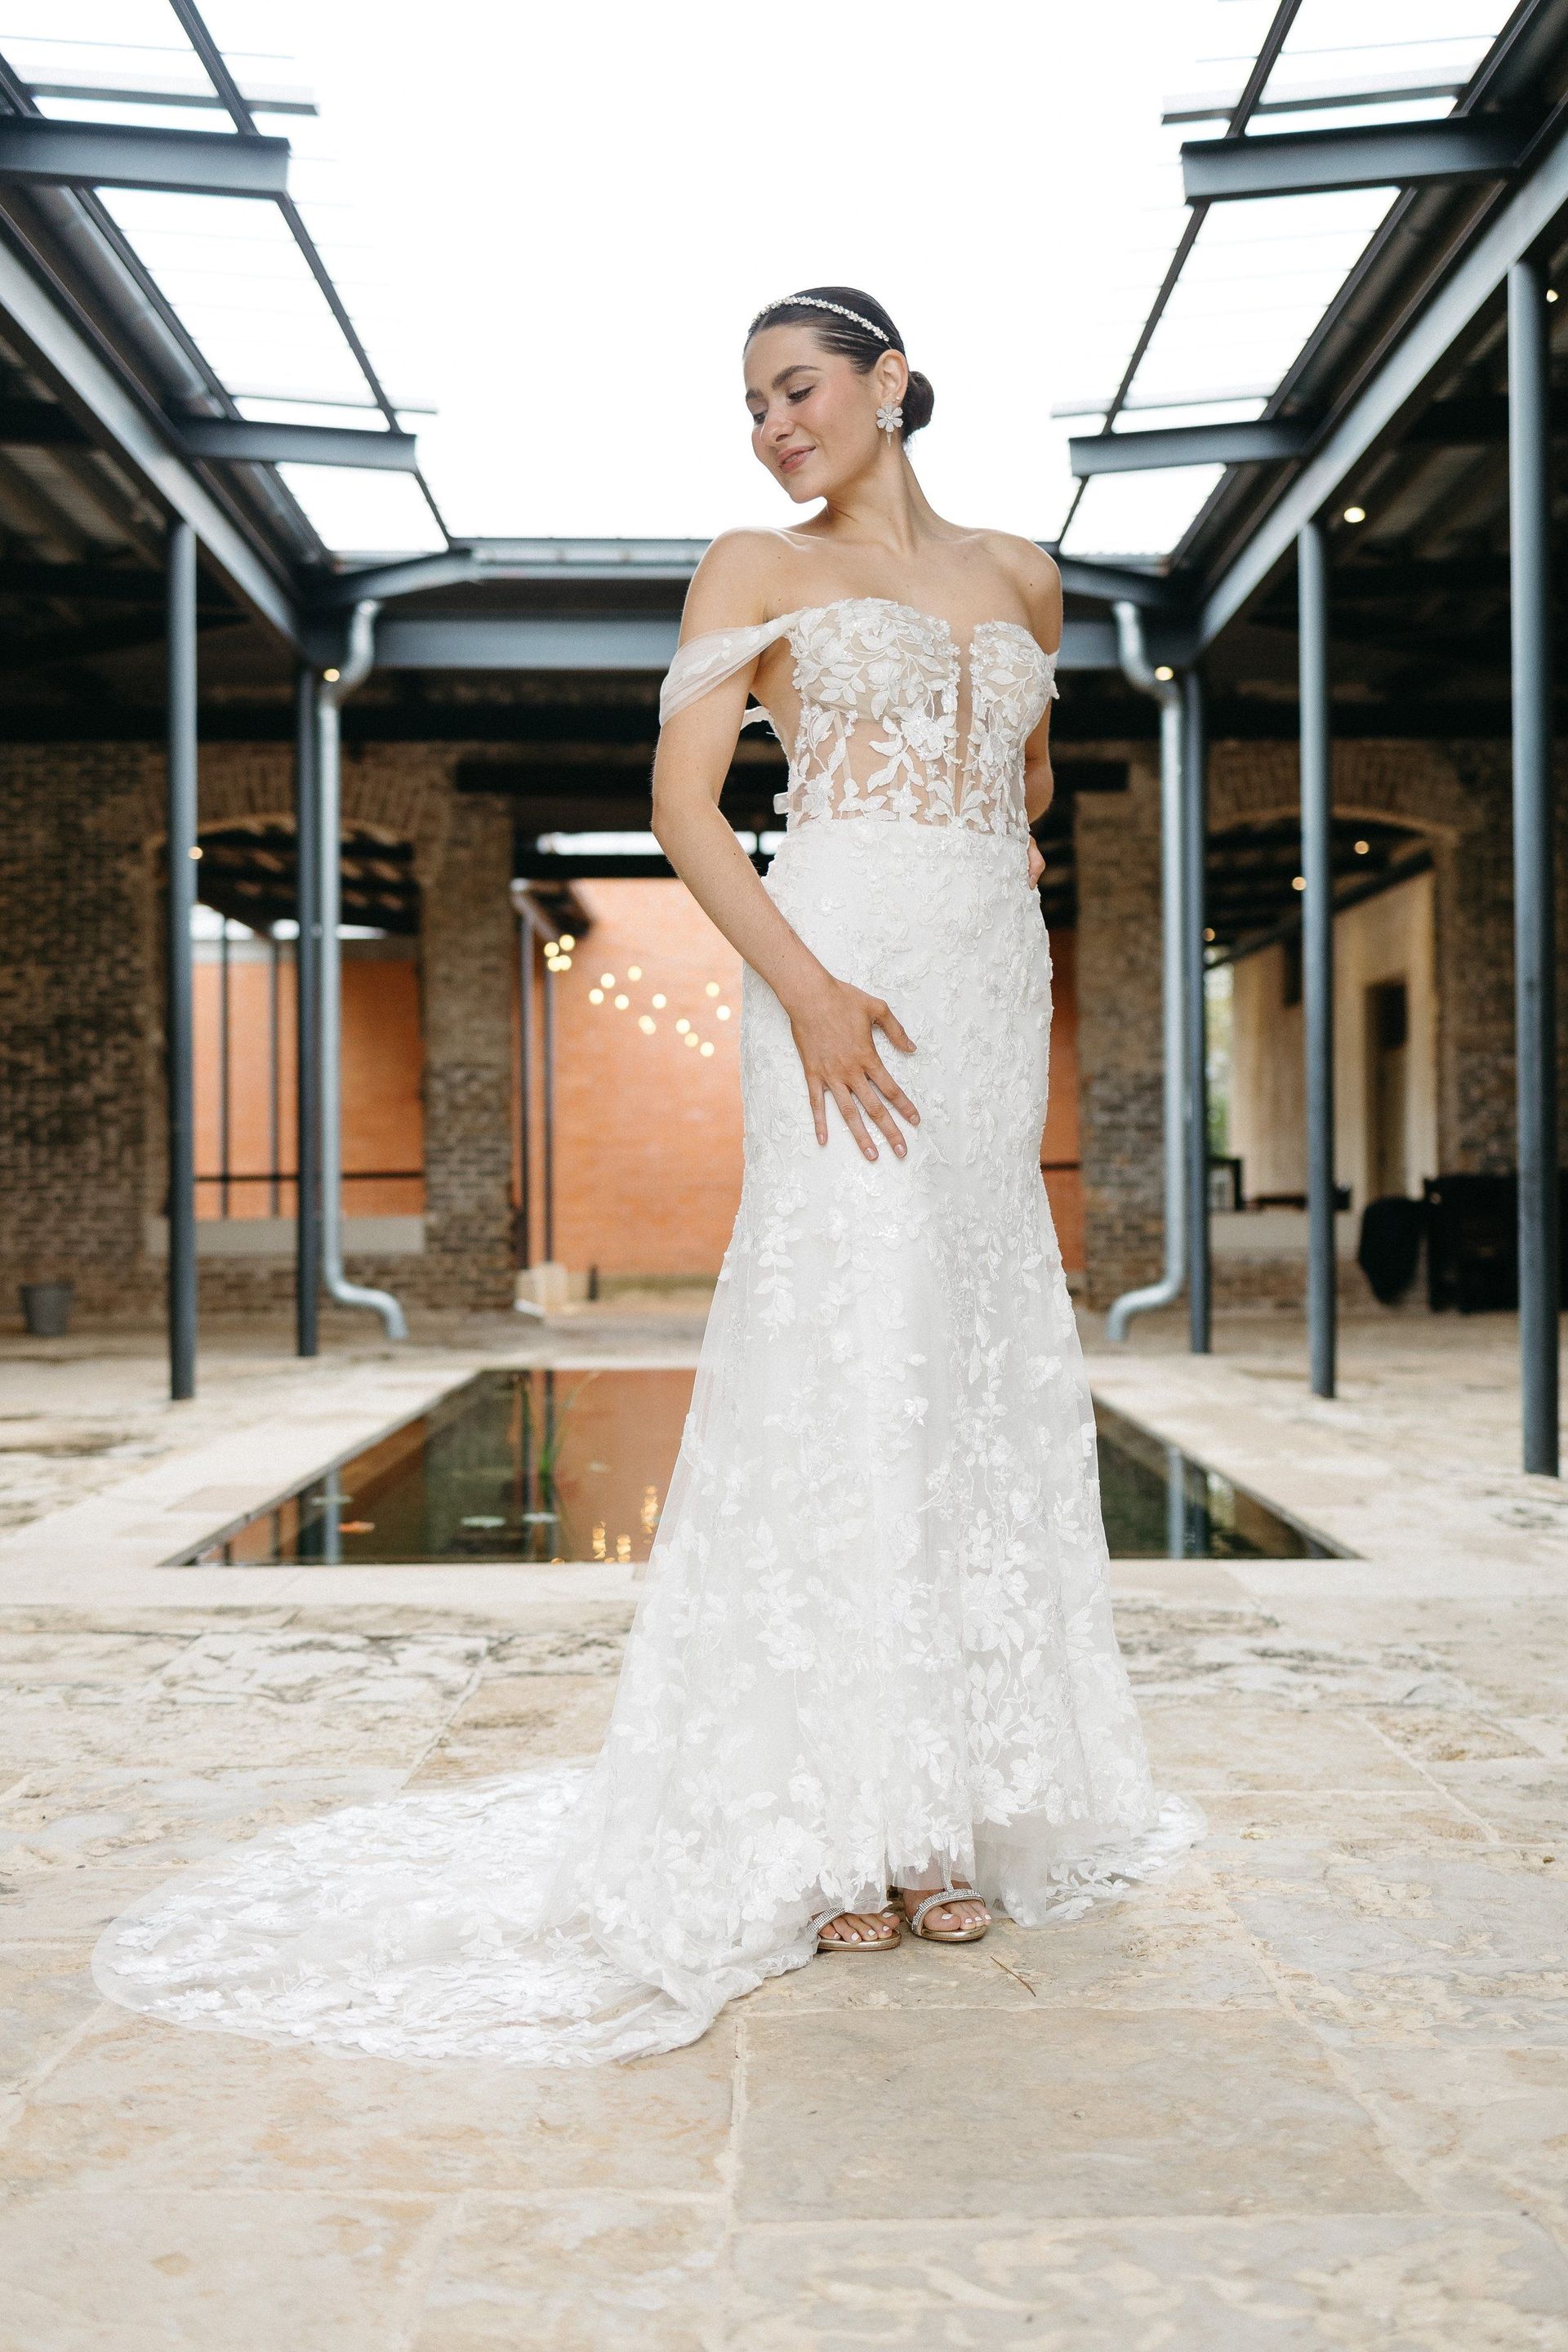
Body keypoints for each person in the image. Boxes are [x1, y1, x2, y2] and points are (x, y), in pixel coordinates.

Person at [91, 287, 1201, 2066]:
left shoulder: (1025, 578)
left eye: (799, 388)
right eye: (751, 402)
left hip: (983, 987)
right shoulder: (749, 565)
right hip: (829, 973)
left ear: (892, 383)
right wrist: (819, 988)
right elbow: (687, 811)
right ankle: (844, 1820)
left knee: (969, 1377)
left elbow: (1035, 787)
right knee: (844, 1368)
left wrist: (979, 889)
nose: (772, 425)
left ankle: (951, 1805)